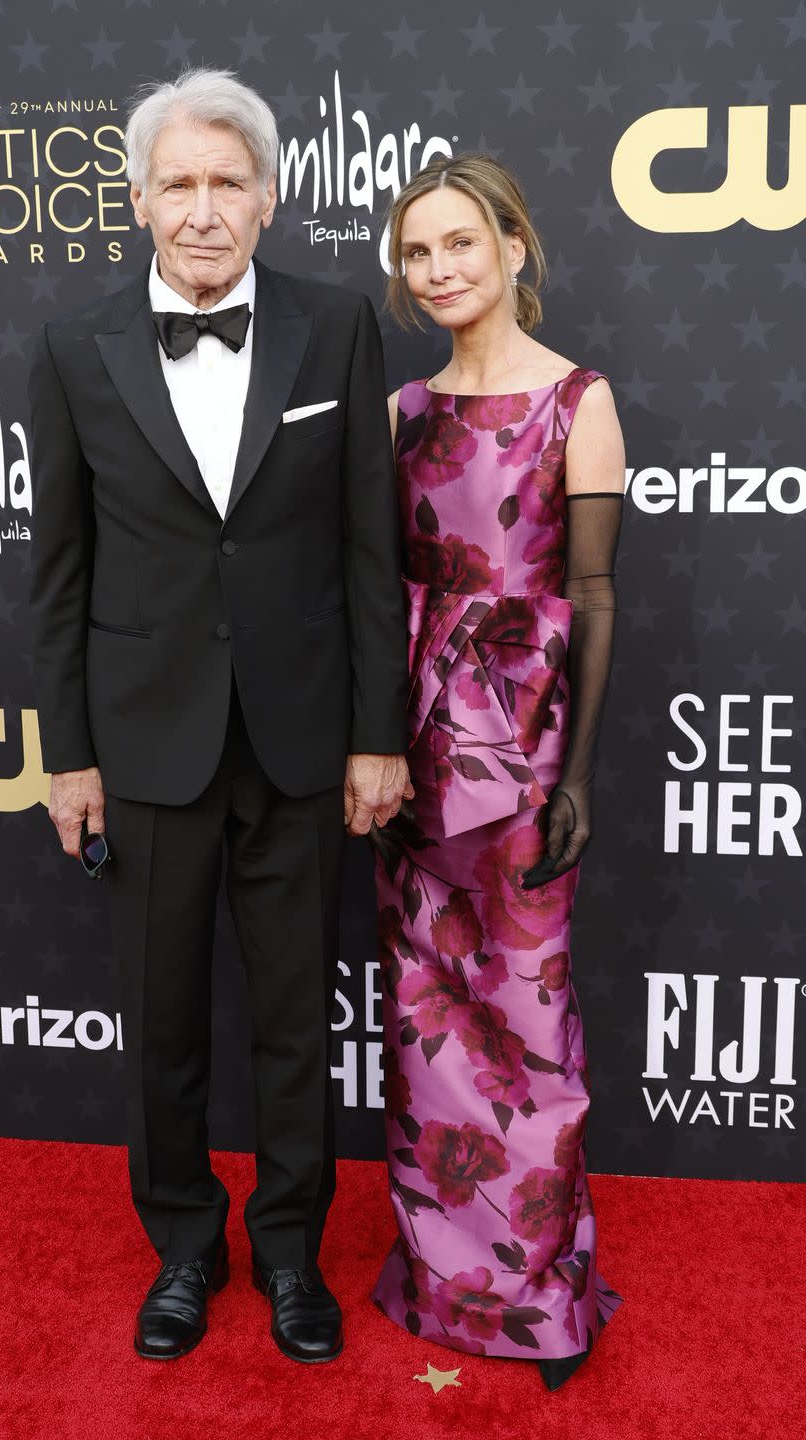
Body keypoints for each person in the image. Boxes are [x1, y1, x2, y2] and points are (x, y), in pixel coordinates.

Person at [27, 68, 411, 1365]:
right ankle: (185, 1247)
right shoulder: (75, 348)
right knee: (166, 1022)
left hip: (304, 736)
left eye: (226, 182)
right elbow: (59, 571)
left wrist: (379, 734)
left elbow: (371, 547)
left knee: (299, 1016)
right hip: (143, 740)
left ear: (268, 197)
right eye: (177, 184)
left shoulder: (339, 328)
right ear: (137, 199)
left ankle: (294, 1253)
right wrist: (67, 755)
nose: (202, 209)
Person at [370, 153, 625, 1392]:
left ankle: (539, 1298)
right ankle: (443, 1281)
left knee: (526, 1021)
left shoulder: (580, 400)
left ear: (515, 247)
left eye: (462, 244)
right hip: (414, 746)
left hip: (521, 749)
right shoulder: (403, 411)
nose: (441, 271)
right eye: (418, 254)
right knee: (423, 1012)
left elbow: (592, 592)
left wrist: (577, 777)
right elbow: (375, 598)